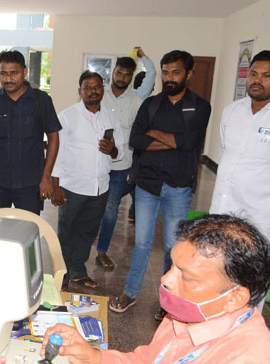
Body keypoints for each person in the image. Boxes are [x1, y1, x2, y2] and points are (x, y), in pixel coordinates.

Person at [5, 214, 270, 364]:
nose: (166, 279)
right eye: (172, 265)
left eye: (186, 276)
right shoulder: (190, 315)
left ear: (235, 297)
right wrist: (93, 358)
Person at [110, 50, 211, 317]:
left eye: (175, 72)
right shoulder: (151, 104)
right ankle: (130, 292)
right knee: (141, 243)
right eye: (165, 72)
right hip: (147, 185)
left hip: (178, 186)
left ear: (189, 74)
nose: (169, 78)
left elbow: (188, 143)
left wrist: (154, 134)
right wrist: (171, 140)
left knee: (172, 246)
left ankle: (169, 301)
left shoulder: (200, 107)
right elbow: (136, 140)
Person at [210, 50, 270, 273]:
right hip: (224, 207)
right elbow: (228, 151)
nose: (257, 80)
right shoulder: (232, 111)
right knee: (217, 269)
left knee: (252, 274)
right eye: (253, 74)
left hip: (260, 213)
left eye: (267, 75)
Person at [52, 71, 125, 290]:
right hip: (72, 185)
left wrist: (112, 150)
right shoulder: (67, 116)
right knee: (67, 231)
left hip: (100, 187)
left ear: (103, 89)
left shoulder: (111, 118)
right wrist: (55, 186)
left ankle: (78, 270)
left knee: (87, 231)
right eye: (88, 87)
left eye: (97, 87)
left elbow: (119, 153)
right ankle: (62, 273)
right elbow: (57, 152)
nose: (93, 91)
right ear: (80, 91)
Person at [0, 50, 61, 215]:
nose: (8, 79)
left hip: (30, 183)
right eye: (3, 74)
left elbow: (53, 138)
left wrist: (46, 177)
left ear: (24, 71)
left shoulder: (41, 100)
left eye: (14, 73)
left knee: (29, 229)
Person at [95, 50, 154, 271]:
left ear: (131, 77)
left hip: (120, 166)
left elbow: (139, 133)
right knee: (89, 206)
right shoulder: (99, 95)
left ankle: (101, 251)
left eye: (127, 75)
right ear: (113, 72)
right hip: (95, 162)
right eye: (119, 72)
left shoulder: (137, 102)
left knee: (111, 208)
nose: (122, 78)